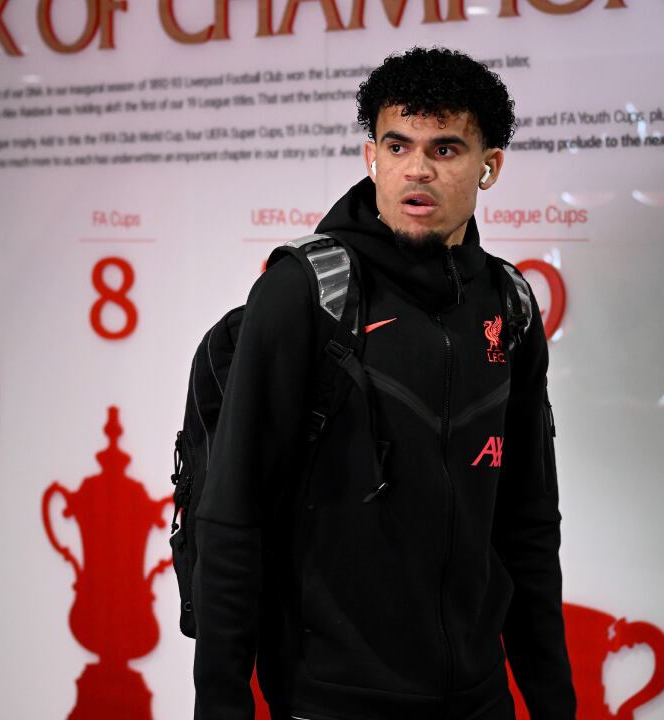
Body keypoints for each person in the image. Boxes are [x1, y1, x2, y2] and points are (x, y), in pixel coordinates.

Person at [193, 46, 576, 720]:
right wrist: (221, 707)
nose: (417, 169)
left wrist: (553, 701)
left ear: (490, 167)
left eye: (447, 148)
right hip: (335, 698)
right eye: (397, 144)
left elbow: (528, 528)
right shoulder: (305, 294)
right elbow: (231, 518)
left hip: (478, 697)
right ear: (372, 157)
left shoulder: (509, 304)